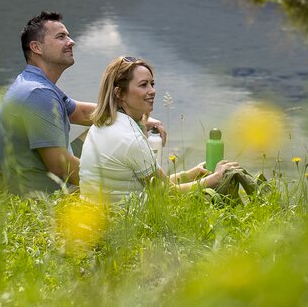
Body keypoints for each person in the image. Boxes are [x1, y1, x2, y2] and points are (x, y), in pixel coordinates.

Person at [0, 11, 166, 197]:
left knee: (104, 127)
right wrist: (117, 190)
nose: (71, 41)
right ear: (36, 47)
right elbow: (61, 166)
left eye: (68, 35)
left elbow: (83, 113)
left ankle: (144, 176)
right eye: (61, 37)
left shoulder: (36, 83)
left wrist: (138, 119)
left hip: (30, 189)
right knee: (111, 137)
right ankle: (148, 182)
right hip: (36, 201)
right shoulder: (38, 93)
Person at [79, 56, 253, 203]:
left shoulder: (103, 124)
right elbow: (166, 193)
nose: (152, 91)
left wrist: (192, 174)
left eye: (152, 84)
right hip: (120, 225)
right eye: (143, 85)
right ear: (119, 93)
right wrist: (214, 180)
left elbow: (156, 184)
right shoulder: (130, 137)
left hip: (95, 216)